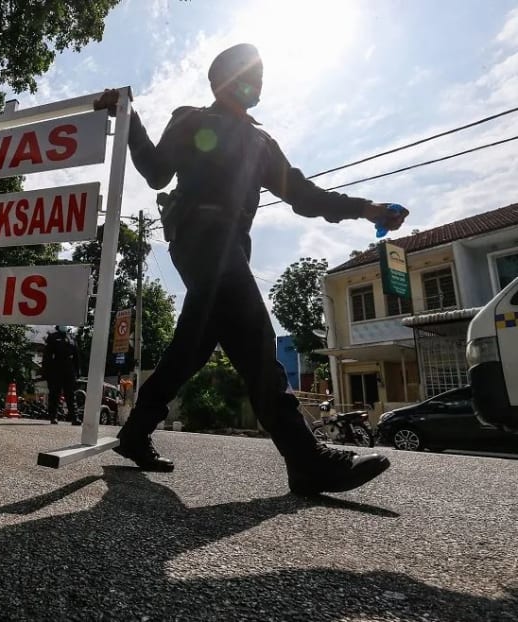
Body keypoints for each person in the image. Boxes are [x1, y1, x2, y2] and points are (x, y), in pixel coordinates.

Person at [93, 44, 408, 495]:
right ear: (222, 80)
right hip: (199, 237)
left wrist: (366, 208)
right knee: (258, 344)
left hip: (232, 248)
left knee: (193, 348)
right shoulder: (190, 119)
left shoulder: (262, 143)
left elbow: (305, 195)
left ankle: (135, 432)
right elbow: (157, 172)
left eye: (261, 75)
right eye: (249, 75)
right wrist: (129, 116)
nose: (258, 83)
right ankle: (305, 458)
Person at [42, 325, 82, 425]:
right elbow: (47, 356)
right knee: (55, 394)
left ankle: (74, 417)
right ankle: (53, 416)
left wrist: (78, 372)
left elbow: (76, 356)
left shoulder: (71, 337)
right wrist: (46, 371)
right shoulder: (53, 337)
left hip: (69, 369)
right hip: (56, 368)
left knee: (71, 395)